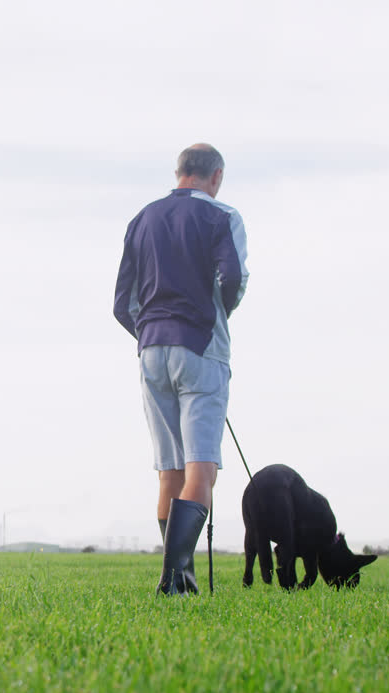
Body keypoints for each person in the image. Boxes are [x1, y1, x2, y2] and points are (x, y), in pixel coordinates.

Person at [113, 143, 248, 595]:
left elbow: (121, 303)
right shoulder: (223, 217)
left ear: (178, 173)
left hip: (150, 348)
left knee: (168, 470)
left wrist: (152, 332)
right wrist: (210, 322)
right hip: (200, 348)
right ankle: (176, 582)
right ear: (217, 176)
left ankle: (175, 581)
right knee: (200, 470)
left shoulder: (142, 219)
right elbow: (232, 279)